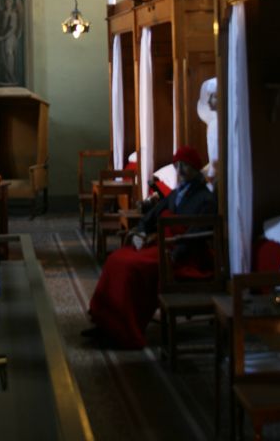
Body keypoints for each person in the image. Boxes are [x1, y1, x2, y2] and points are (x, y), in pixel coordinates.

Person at [83, 146, 217, 349]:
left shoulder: (205, 199)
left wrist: (175, 254)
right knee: (116, 260)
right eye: (176, 166)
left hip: (181, 254)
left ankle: (125, 330)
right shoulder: (176, 193)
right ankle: (106, 323)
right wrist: (141, 232)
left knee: (131, 268)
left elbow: (194, 236)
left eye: (184, 167)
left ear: (196, 170)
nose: (179, 171)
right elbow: (152, 215)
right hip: (160, 245)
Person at [0, 0, 23, 86]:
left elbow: (12, 29)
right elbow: (1, 25)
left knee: (9, 53)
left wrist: (2, 38)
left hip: (10, 37)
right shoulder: (3, 13)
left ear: (12, 3)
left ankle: (10, 77)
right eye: (6, 1)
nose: (7, 3)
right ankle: (6, 76)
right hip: (3, 36)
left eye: (9, 1)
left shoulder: (13, 14)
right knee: (2, 57)